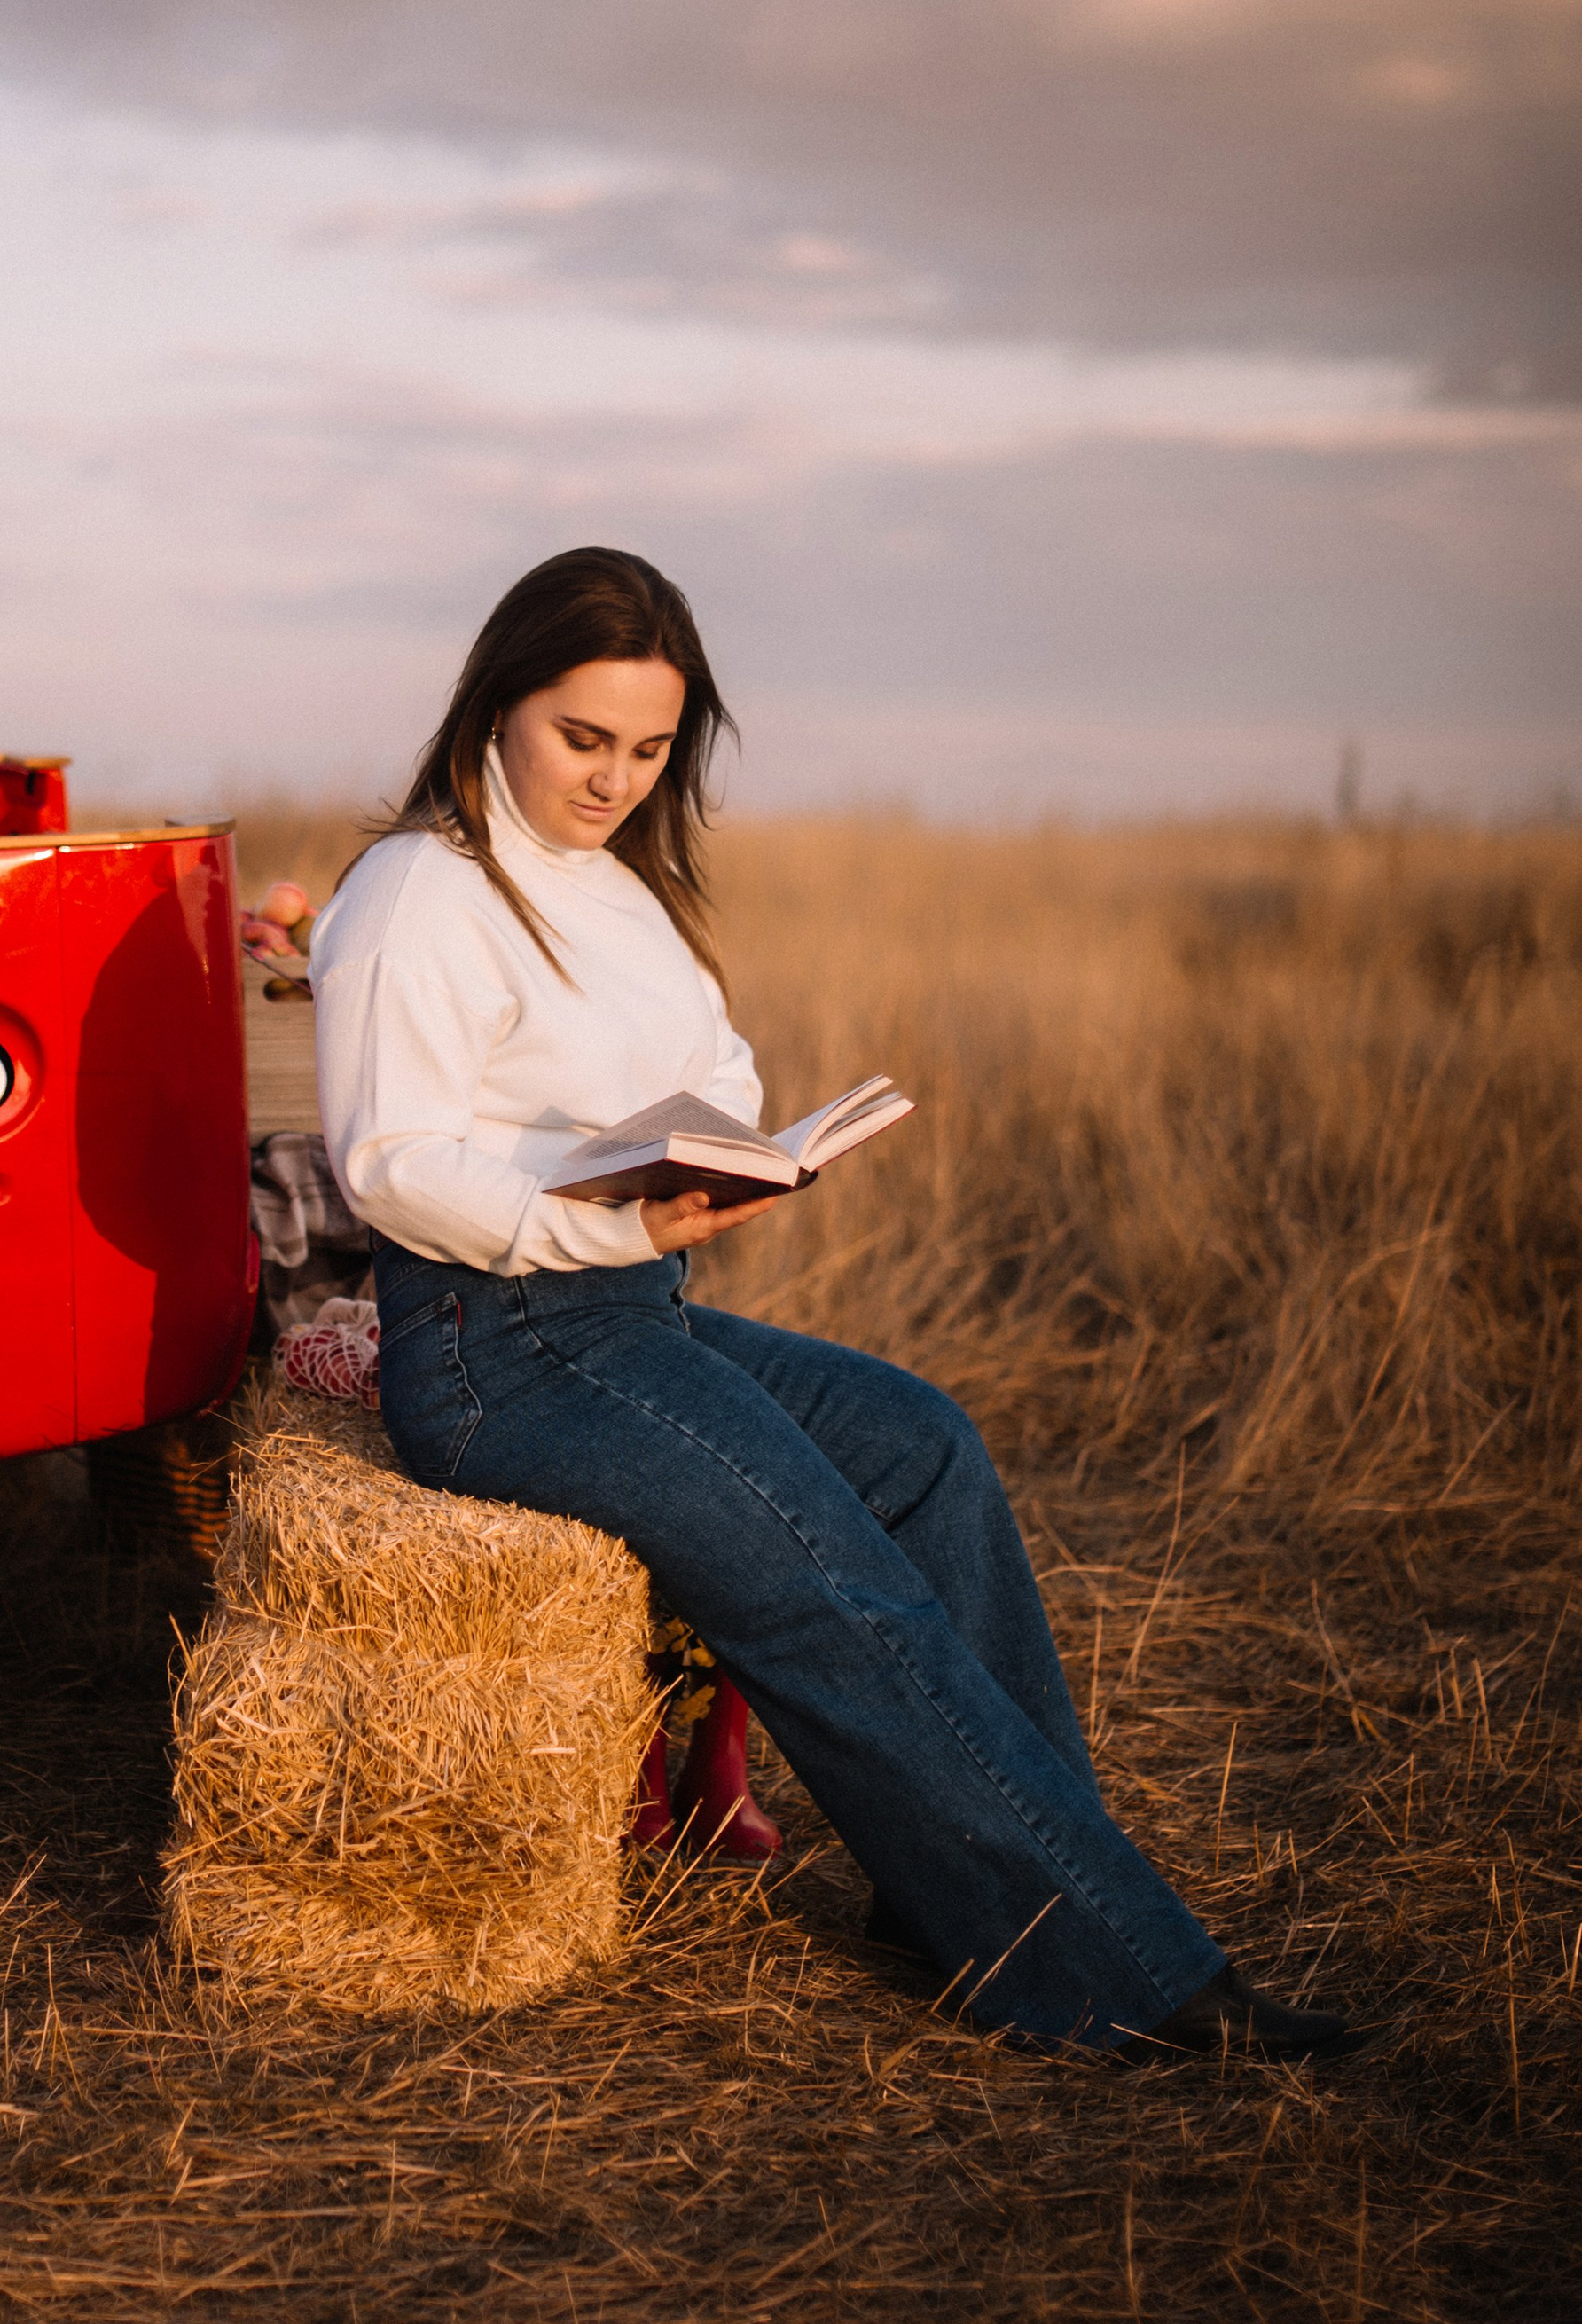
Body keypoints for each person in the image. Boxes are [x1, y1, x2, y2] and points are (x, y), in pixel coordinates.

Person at [308, 546, 1369, 2061]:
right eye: (583, 738)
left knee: (924, 1445)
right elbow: (391, 1164)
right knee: (833, 1586)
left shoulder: (618, 891)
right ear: (496, 707)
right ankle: (1120, 1978)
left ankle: (961, 1910)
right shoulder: (422, 892)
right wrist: (599, 1216)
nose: (613, 780)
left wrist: (725, 1155)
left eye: (650, 749)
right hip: (500, 1353)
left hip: (630, 1319)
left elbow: (716, 1064)